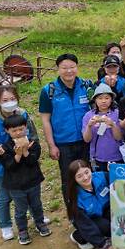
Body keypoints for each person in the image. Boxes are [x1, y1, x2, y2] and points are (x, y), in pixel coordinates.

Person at [0, 85, 40, 241]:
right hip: (1, 166)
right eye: (5, 100)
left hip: (24, 163)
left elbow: (33, 135)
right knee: (5, 196)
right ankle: (5, 225)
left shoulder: (23, 114)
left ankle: (36, 217)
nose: (10, 102)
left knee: (31, 191)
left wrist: (32, 147)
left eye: (12, 99)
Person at [39, 53, 92, 207]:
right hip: (63, 143)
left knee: (88, 176)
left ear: (77, 68)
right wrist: (51, 145)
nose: (69, 71)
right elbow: (45, 120)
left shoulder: (86, 86)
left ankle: (88, 208)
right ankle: (73, 211)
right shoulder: (49, 91)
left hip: (85, 140)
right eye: (64, 68)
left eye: (72, 67)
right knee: (68, 178)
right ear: (58, 69)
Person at [0, 114, 50, 245]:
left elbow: (33, 161)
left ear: (26, 127)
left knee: (36, 204)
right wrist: (18, 154)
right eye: (14, 131)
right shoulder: (5, 148)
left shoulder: (33, 143)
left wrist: (26, 151)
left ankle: (40, 223)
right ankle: (22, 230)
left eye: (21, 129)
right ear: (7, 131)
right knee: (20, 209)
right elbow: (9, 166)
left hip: (33, 181)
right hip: (16, 185)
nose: (18, 133)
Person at [66, 160, 119, 249]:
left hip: (104, 210)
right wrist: (103, 244)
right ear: (74, 179)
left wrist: (114, 171)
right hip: (87, 220)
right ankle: (78, 236)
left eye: (87, 172)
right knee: (106, 227)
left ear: (90, 170)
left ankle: (99, 234)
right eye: (79, 176)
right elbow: (84, 223)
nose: (85, 177)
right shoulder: (76, 198)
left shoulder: (101, 177)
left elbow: (119, 180)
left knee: (118, 220)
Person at [82, 83, 123, 172]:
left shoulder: (117, 113)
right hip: (97, 157)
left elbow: (119, 137)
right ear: (95, 100)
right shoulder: (89, 116)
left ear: (111, 99)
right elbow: (86, 139)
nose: (103, 101)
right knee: (101, 183)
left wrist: (112, 124)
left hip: (116, 156)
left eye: (107, 98)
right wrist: (89, 126)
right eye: (100, 98)